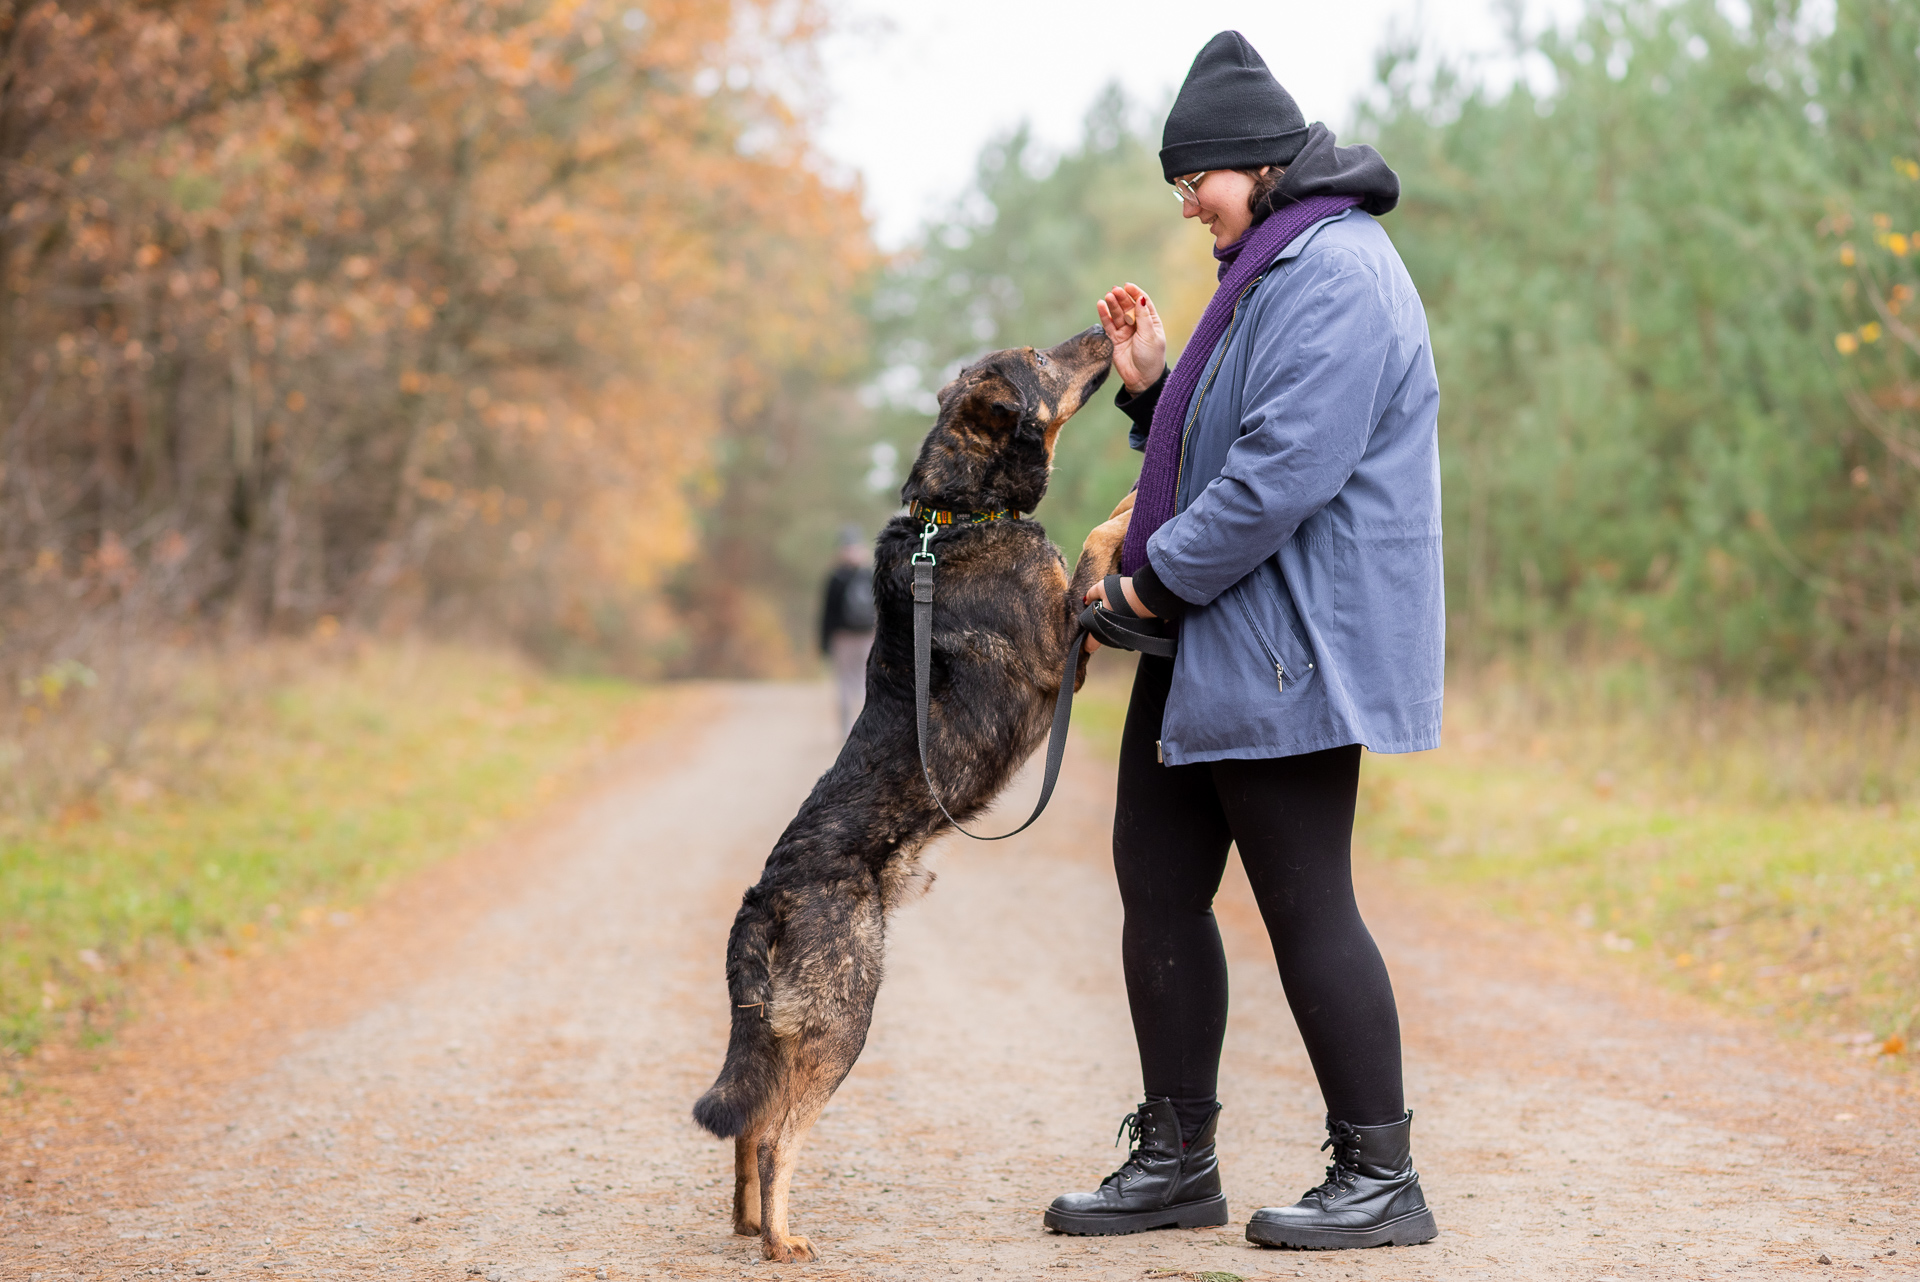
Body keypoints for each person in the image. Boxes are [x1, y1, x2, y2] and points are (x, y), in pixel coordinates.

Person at [1042, 32, 1444, 1251]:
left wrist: (1148, 588)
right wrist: (1154, 388)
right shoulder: (1272, 266)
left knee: (1307, 905)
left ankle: (1382, 1178)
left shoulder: (1335, 273)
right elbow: (1224, 445)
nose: (1190, 206)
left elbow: (1279, 476)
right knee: (1157, 892)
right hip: (1209, 644)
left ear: (1256, 162)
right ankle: (1176, 1160)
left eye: (1196, 182)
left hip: (1286, 649)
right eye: (1178, 188)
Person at [819, 525, 877, 737]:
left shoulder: (836, 578)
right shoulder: (870, 574)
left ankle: (846, 733)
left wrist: (825, 643)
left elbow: (827, 613)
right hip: (867, 637)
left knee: (844, 684)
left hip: (842, 638)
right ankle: (865, 732)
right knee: (865, 683)